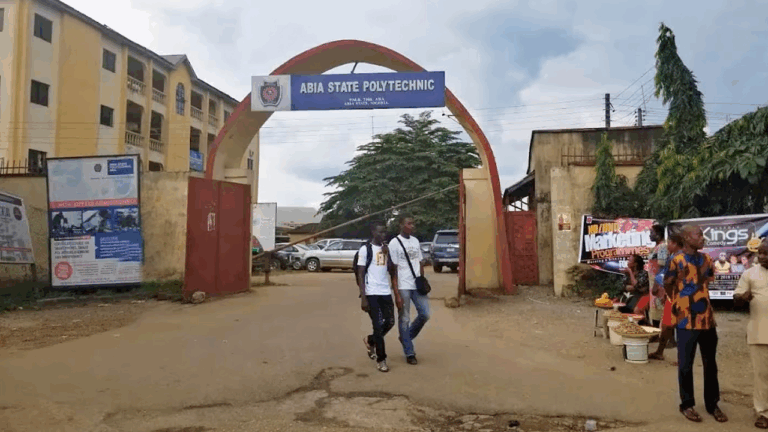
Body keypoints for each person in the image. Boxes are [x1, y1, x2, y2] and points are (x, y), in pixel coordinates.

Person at [663, 225, 728, 423]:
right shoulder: (675, 260)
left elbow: (708, 279)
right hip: (685, 321)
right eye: (698, 234)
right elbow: (668, 283)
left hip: (707, 320)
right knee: (685, 365)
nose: (702, 238)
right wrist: (679, 302)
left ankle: (712, 404)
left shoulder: (707, 259)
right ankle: (687, 404)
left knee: (711, 364)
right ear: (686, 237)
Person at [733, 238, 768, 429]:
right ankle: (763, 413)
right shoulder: (750, 274)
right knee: (762, 376)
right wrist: (742, 298)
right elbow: (736, 299)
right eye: (760, 253)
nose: (762, 257)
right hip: (759, 333)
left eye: (766, 253)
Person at [359, 221, 403, 373]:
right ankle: (381, 359)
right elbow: (360, 274)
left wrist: (387, 254)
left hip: (385, 292)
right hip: (371, 293)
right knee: (377, 326)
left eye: (384, 232)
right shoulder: (365, 250)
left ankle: (371, 340)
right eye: (380, 232)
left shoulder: (387, 249)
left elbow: (391, 270)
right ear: (373, 232)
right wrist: (363, 297)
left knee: (390, 322)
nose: (383, 235)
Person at [389, 215, 429, 365]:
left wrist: (422, 280)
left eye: (413, 223)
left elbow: (420, 262)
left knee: (425, 314)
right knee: (404, 318)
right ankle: (409, 352)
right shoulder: (394, 243)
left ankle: (406, 337)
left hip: (416, 285)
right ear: (401, 225)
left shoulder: (415, 241)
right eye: (409, 223)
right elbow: (393, 270)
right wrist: (396, 293)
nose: (412, 226)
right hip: (403, 285)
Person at [648, 230, 684, 361]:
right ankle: (660, 351)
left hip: (677, 296)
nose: (667, 245)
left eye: (669, 243)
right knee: (667, 325)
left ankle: (682, 357)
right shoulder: (677, 256)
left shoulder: (676, 258)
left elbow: (667, 277)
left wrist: (660, 288)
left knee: (678, 326)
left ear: (675, 243)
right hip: (674, 295)